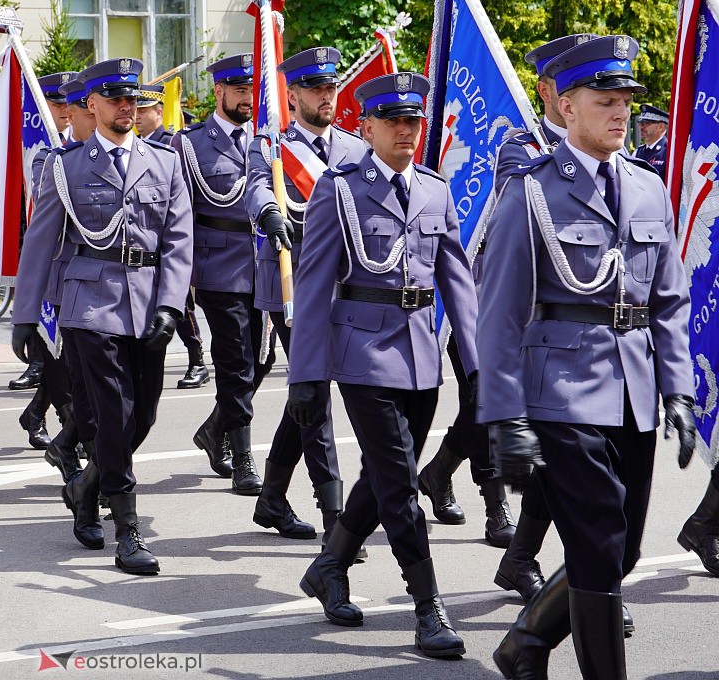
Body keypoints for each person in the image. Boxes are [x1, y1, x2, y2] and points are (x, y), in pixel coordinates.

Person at [479, 35, 695, 679]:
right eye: (605, 100)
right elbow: (499, 317)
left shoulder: (648, 187)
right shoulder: (532, 191)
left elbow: (669, 300)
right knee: (599, 546)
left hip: (632, 392)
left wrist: (677, 390)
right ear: (566, 107)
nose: (621, 112)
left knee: (621, 549)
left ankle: (525, 645)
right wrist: (505, 418)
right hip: (561, 391)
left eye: (625, 100)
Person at [286, 72, 475, 658]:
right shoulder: (339, 189)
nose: (405, 131)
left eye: (413, 121)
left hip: (421, 356)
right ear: (365, 127)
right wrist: (306, 376)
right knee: (400, 485)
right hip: (364, 354)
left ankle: (329, 565)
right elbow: (315, 285)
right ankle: (427, 607)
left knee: (382, 474)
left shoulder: (434, 189)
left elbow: (457, 281)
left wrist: (474, 365)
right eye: (393, 120)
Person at [419, 35, 597, 556]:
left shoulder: (604, 150)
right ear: (548, 92)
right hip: (490, 296)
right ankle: (495, 505)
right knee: (486, 398)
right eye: (574, 86)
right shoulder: (516, 145)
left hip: (560, 310)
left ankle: (440, 471)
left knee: (542, 420)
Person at [13, 57, 192, 574]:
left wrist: (170, 304)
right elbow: (41, 242)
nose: (125, 108)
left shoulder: (165, 162)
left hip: (149, 300)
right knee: (113, 413)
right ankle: (128, 529)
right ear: (90, 105)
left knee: (143, 416)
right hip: (90, 302)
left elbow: (180, 240)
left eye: (131, 99)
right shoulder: (65, 168)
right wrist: (27, 314)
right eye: (114, 99)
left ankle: (86, 488)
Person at [245, 46, 364, 540]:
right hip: (292, 285)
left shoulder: (355, 149)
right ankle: (335, 513)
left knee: (308, 393)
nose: (326, 96)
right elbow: (256, 186)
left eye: (331, 87)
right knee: (316, 395)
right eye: (316, 89)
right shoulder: (271, 145)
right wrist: (267, 211)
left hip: (344, 287)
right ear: (292, 95)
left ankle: (272, 496)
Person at [175, 54, 267, 496]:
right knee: (236, 361)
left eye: (252, 89)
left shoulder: (268, 138)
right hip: (218, 265)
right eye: (239, 90)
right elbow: (180, 214)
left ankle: (215, 429)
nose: (248, 98)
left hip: (264, 263)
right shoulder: (191, 143)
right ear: (220, 92)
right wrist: (181, 278)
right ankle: (243, 455)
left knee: (262, 359)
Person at [138, 82, 208, 389]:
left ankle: (197, 359)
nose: (137, 116)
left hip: (172, 238)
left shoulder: (170, 145)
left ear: (158, 111)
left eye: (144, 110)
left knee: (180, 304)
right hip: (145, 241)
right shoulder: (137, 144)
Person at [8, 72, 74, 393]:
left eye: (67, 103)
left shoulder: (81, 144)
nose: (63, 110)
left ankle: (36, 412)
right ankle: (37, 364)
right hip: (37, 235)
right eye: (55, 103)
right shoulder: (38, 148)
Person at [633, 103, 669, 179]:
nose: (641, 127)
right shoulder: (638, 152)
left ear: (661, 127)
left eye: (646, 123)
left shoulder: (669, 151)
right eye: (641, 123)